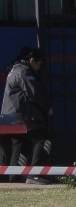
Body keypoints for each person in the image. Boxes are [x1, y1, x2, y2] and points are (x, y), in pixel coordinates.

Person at [3, 47, 52, 178]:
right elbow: (34, 93)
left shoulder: (14, 69)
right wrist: (47, 108)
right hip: (20, 118)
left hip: (9, 119)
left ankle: (14, 179)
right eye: (39, 64)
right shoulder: (24, 71)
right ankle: (36, 175)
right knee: (44, 139)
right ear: (32, 61)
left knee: (20, 148)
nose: (39, 68)